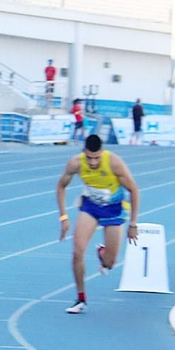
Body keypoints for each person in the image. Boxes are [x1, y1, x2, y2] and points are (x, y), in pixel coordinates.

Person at [54, 134, 141, 315]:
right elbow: (61, 186)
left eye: (97, 158)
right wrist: (63, 217)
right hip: (90, 207)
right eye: (90, 158)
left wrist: (133, 223)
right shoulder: (75, 163)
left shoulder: (114, 162)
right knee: (77, 251)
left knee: (109, 263)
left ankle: (104, 254)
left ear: (103, 153)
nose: (93, 162)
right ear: (83, 152)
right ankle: (81, 298)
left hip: (114, 209)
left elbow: (133, 190)